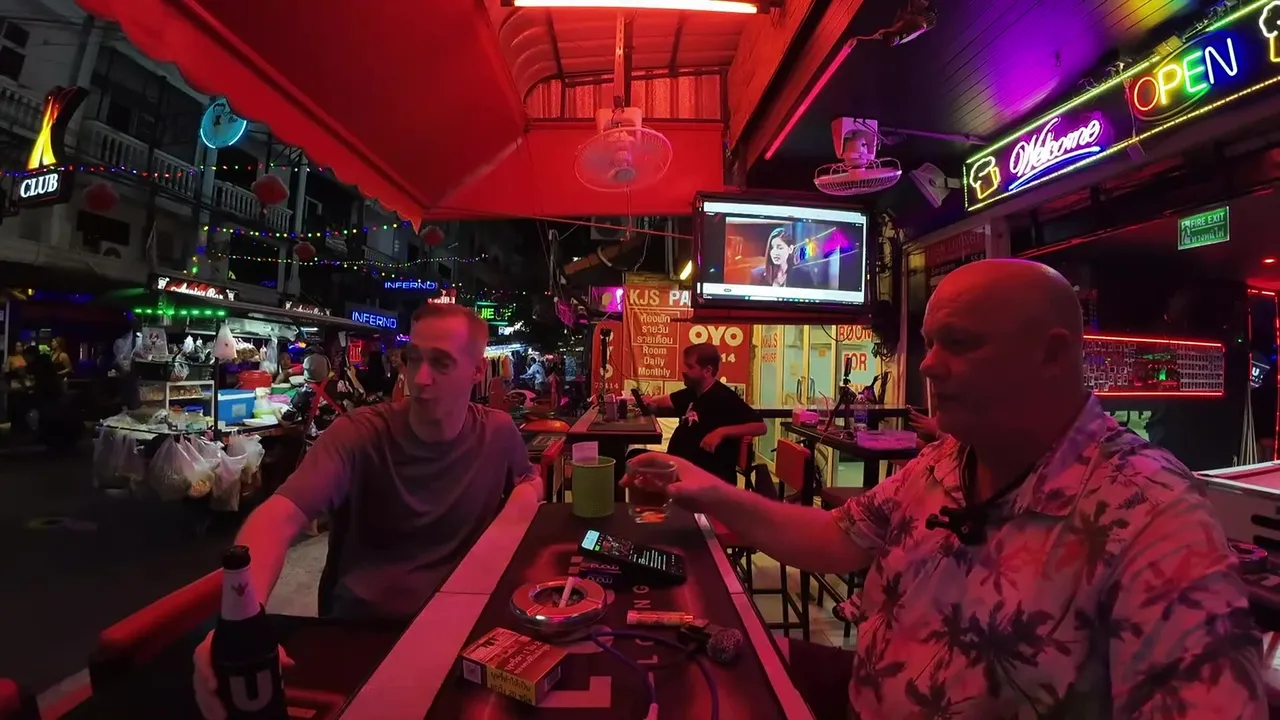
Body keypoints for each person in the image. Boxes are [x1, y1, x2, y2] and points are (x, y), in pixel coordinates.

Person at [626, 259, 1265, 718]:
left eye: (958, 343)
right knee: (687, 672)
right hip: (861, 695)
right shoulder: (943, 462)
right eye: (931, 343)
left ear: (1051, 354)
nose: (928, 364)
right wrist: (703, 489)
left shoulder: (1155, 516)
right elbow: (834, 538)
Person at [193, 304, 542, 718]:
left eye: (442, 363)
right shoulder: (358, 435)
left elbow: (528, 480)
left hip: (463, 629)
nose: (420, 378)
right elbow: (279, 517)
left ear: (476, 371)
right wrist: (240, 622)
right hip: (363, 630)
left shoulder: (497, 432)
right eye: (413, 359)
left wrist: (519, 508)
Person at [643, 343, 766, 485]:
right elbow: (666, 400)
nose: (683, 371)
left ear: (707, 371)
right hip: (681, 469)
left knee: (634, 463)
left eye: (689, 367)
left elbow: (761, 427)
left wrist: (720, 432)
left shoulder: (723, 397)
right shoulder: (693, 392)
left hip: (706, 480)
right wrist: (648, 402)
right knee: (634, 457)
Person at [748, 227, 818, 289]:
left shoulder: (803, 275)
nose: (775, 252)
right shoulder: (756, 275)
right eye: (772, 248)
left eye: (780, 248)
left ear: (790, 249)